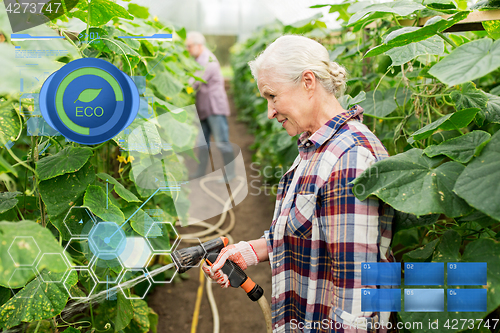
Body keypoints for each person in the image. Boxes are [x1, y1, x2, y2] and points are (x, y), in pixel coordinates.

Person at [203, 35, 394, 333]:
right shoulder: (316, 147)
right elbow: (310, 232)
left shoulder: (350, 157)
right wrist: (250, 251)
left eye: (272, 96)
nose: (270, 112)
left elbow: (356, 294)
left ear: (308, 82)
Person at [186, 31, 235, 182]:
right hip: (203, 108)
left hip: (214, 108)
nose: (187, 49)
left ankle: (230, 174)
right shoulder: (199, 59)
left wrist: (178, 88)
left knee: (222, 142)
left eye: (189, 46)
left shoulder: (208, 60)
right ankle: (200, 171)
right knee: (202, 142)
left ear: (199, 45)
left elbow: (193, 82)